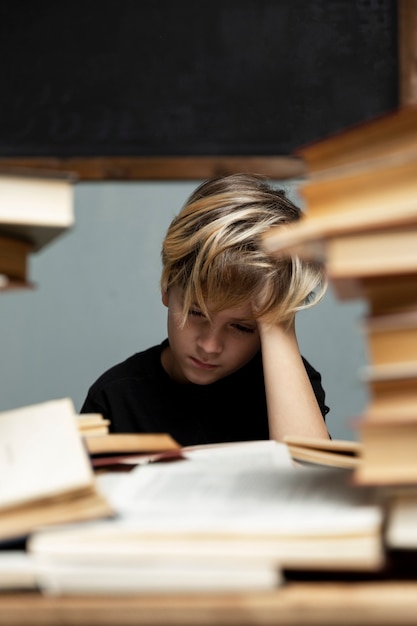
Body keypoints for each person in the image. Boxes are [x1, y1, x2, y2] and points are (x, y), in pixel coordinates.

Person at [80, 173, 330, 445]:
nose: (210, 346)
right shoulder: (116, 397)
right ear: (167, 287)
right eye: (197, 313)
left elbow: (308, 479)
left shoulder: (288, 382)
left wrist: (277, 319)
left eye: (241, 327)